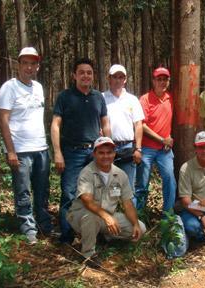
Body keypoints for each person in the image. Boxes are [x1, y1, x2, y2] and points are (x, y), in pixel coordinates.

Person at [51, 58, 111, 244]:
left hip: (95, 153)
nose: (86, 75)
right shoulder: (65, 97)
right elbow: (55, 125)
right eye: (82, 72)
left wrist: (108, 148)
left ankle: (98, 232)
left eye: (89, 72)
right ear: (74, 75)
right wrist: (58, 152)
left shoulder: (98, 97)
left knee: (98, 193)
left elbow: (105, 123)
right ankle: (67, 236)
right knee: (69, 193)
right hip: (71, 152)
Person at [0, 47, 52, 244]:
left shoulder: (38, 87)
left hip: (41, 148)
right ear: (18, 65)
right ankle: (28, 228)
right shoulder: (9, 88)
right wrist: (10, 150)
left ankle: (44, 225)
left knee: (42, 189)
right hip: (20, 150)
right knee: (23, 191)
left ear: (37, 66)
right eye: (25, 63)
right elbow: (3, 120)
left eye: (33, 63)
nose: (29, 67)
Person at [66, 137, 146, 268]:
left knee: (141, 229)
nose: (106, 156)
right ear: (94, 154)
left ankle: (104, 236)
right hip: (82, 215)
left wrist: (135, 224)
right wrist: (107, 217)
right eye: (101, 153)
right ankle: (88, 255)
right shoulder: (87, 172)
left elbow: (127, 203)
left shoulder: (120, 175)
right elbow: (87, 202)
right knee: (91, 217)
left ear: (114, 154)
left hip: (106, 216)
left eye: (109, 152)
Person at [135, 67, 176, 212]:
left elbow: (172, 122)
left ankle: (168, 217)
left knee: (170, 180)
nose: (162, 82)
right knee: (142, 184)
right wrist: (162, 139)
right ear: (153, 81)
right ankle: (139, 217)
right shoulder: (144, 99)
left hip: (164, 150)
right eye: (159, 79)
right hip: (146, 148)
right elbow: (142, 125)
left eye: (165, 79)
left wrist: (169, 137)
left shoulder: (171, 98)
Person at [102, 64, 144, 190]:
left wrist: (138, 149)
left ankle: (130, 210)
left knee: (128, 188)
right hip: (108, 148)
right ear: (109, 78)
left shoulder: (132, 99)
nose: (118, 80)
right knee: (111, 187)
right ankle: (112, 210)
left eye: (121, 77)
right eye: (115, 77)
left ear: (125, 79)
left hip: (127, 148)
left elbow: (138, 125)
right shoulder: (102, 98)